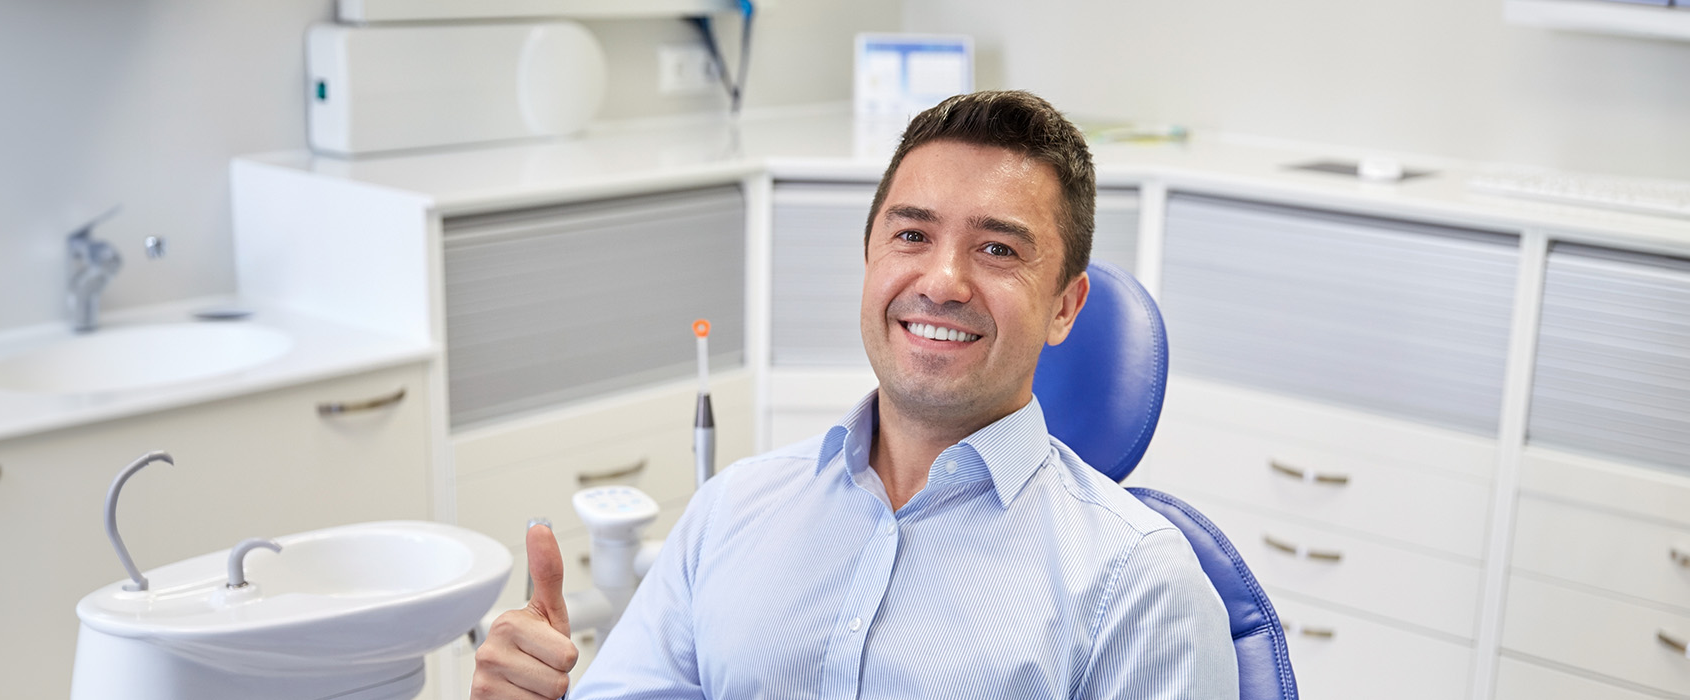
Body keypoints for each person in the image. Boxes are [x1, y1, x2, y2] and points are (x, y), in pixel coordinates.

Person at [471, 90, 1238, 700]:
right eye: (911, 236)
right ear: (870, 260)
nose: (941, 281)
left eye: (997, 249)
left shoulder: (1138, 587)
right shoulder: (730, 513)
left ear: (1066, 307)